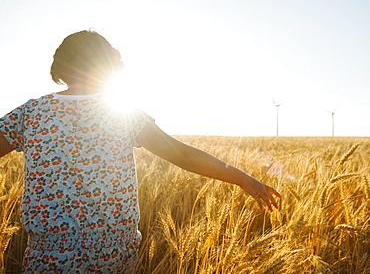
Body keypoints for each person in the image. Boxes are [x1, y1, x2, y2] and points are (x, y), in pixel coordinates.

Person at [0, 30, 281, 273]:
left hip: (49, 254)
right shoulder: (124, 113)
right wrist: (244, 179)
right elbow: (182, 156)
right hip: (112, 251)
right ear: (106, 63)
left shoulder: (30, 113)